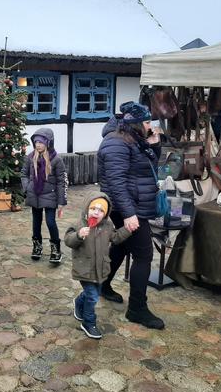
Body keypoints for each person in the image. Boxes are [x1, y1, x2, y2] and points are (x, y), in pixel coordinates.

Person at [97, 101, 165, 330]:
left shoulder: (133, 139)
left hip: (135, 203)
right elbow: (116, 182)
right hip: (127, 206)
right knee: (144, 255)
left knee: (122, 246)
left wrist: (154, 145)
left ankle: (102, 284)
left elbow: (146, 167)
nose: (150, 125)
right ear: (134, 123)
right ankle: (137, 308)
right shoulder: (116, 142)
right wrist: (129, 214)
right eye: (147, 121)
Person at [64, 192, 132, 339]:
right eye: (94, 208)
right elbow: (68, 240)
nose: (96, 212)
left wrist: (127, 229)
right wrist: (78, 235)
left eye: (101, 210)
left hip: (101, 269)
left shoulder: (107, 225)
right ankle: (88, 323)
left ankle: (78, 301)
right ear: (87, 208)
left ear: (106, 213)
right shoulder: (78, 225)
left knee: (92, 293)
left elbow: (115, 238)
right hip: (85, 269)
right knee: (93, 297)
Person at [21, 128, 68, 263]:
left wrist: (61, 202)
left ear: (48, 143)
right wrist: (27, 187)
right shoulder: (30, 157)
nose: (38, 145)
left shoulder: (56, 159)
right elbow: (23, 174)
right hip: (34, 195)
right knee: (36, 223)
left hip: (50, 196)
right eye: (36, 142)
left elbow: (61, 181)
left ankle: (55, 249)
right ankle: (37, 246)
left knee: (50, 222)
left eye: (41, 142)